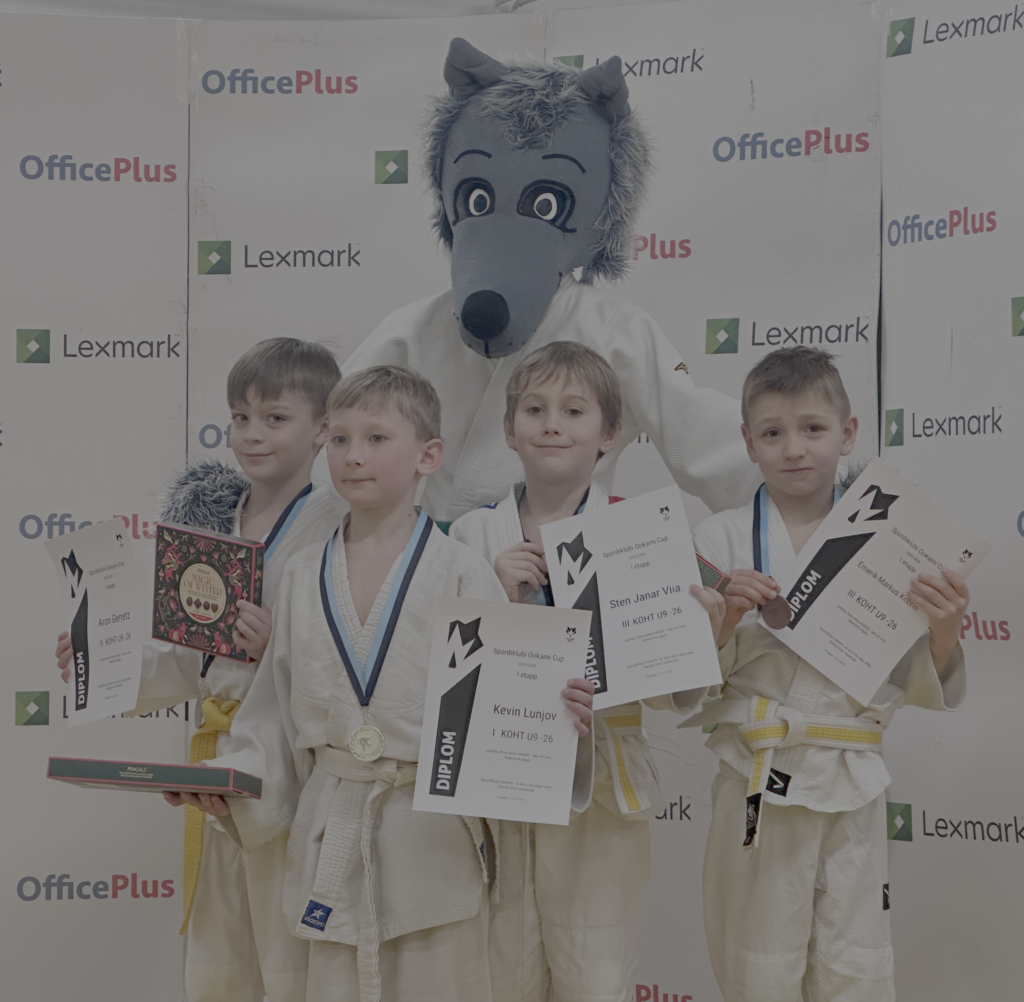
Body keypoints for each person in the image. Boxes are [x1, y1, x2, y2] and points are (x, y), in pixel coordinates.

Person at [169, 365, 596, 1002]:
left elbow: (502, 716)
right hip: (331, 829)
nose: (353, 456)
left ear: (429, 456)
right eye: (339, 439)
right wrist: (231, 785)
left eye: (375, 438)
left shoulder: (463, 571)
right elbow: (273, 717)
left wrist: (558, 721)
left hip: (431, 838)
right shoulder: (303, 575)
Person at [56, 337, 344, 1002]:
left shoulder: (339, 526)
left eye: (275, 418)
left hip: (292, 768)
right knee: (220, 964)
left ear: (323, 427)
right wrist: (105, 662)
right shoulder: (210, 527)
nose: (252, 434)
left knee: (292, 961)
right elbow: (192, 659)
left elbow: (359, 654)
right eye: (240, 417)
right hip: (216, 765)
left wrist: (278, 646)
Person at [684, 346, 970, 1002]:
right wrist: (724, 622)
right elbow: (688, 685)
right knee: (756, 964)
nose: (793, 449)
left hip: (852, 776)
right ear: (748, 443)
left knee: (856, 964)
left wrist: (946, 629)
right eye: (772, 433)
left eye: (813, 428)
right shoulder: (720, 540)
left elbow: (919, 675)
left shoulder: (896, 541)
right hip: (757, 772)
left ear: (848, 434)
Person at [450, 342, 726, 1002]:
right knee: (500, 971)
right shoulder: (470, 537)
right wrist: (492, 592)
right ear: (508, 429)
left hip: (601, 779)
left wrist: (703, 638)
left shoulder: (641, 535)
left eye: (574, 411)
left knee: (594, 972)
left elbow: (679, 693)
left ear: (610, 433)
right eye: (535, 410)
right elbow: (441, 677)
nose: (552, 424)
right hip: (499, 774)